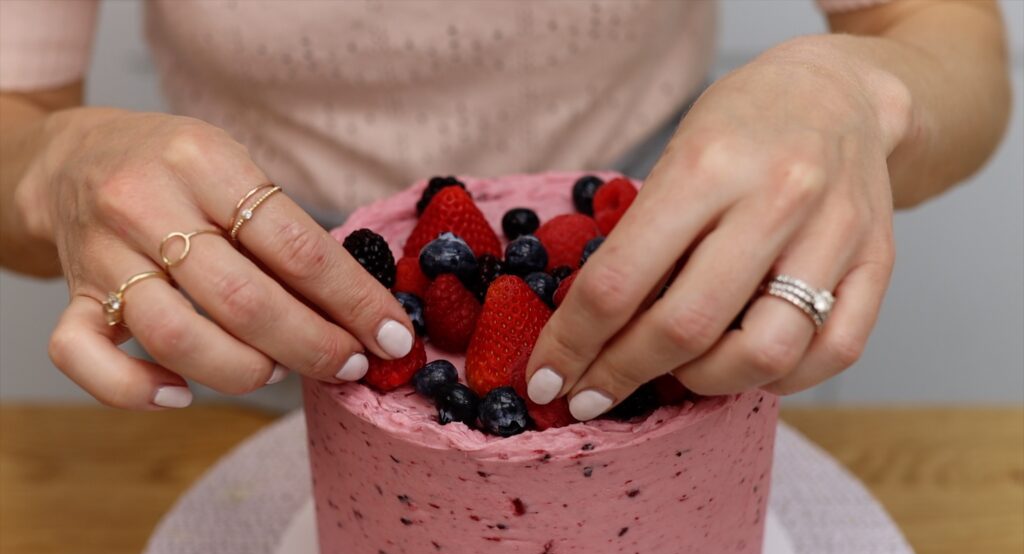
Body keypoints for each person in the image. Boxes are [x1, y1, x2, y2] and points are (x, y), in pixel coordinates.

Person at [0, 0, 1010, 418]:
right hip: (275, 297)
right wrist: (56, 160)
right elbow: (18, 118)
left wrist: (855, 95)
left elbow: (937, 38)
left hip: (656, 276)